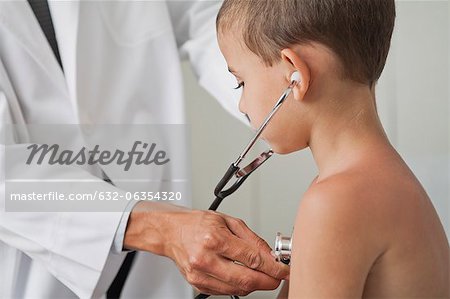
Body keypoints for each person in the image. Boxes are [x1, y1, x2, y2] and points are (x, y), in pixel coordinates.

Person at [0, 1, 289, 298]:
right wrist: (153, 227)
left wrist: (268, 92)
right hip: (29, 265)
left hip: (149, 256)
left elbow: (205, 14)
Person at [216, 0, 449, 297]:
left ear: (295, 75)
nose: (242, 104)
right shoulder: (391, 182)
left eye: (241, 83)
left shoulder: (335, 202)